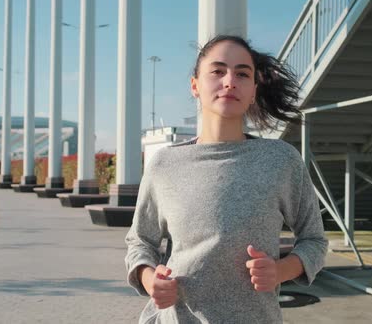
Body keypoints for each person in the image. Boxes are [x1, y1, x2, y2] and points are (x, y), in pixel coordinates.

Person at [125, 35, 328, 323]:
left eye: (242, 73)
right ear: (195, 85)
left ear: (254, 89)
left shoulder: (281, 160)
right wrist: (149, 280)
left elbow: (314, 241)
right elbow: (140, 242)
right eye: (218, 71)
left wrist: (280, 270)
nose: (230, 81)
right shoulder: (164, 164)